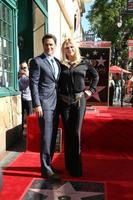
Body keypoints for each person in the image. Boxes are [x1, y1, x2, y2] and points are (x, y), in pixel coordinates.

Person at [58, 37, 99, 177]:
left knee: (76, 133)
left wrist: (91, 90)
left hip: (79, 102)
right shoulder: (60, 64)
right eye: (67, 47)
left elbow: (96, 76)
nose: (69, 49)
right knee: (68, 134)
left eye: (71, 47)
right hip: (64, 103)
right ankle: (69, 165)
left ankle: (77, 168)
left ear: (75, 48)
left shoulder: (84, 62)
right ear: (64, 50)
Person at [29, 34, 61, 179]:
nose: (49, 47)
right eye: (46, 44)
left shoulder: (57, 62)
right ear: (43, 45)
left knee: (53, 137)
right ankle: (46, 170)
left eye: (51, 44)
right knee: (46, 137)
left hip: (56, 105)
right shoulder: (37, 61)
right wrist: (37, 104)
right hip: (44, 105)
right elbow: (33, 84)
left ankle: (49, 164)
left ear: (55, 46)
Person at [18, 61, 33, 133]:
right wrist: (20, 75)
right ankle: (20, 132)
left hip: (28, 98)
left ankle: (30, 131)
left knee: (30, 116)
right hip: (20, 98)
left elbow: (33, 82)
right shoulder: (18, 77)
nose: (23, 69)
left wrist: (28, 75)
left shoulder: (29, 74)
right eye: (22, 68)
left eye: (25, 67)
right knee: (21, 116)